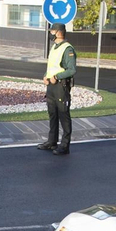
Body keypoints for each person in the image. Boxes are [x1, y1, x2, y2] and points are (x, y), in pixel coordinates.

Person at [40, 22, 77, 154]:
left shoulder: (68, 49)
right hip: (51, 86)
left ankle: (65, 145)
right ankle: (52, 142)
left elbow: (71, 70)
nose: (50, 34)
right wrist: (46, 76)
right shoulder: (55, 47)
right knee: (53, 114)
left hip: (61, 86)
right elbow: (51, 66)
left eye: (52, 31)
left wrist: (57, 76)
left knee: (63, 115)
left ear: (59, 33)